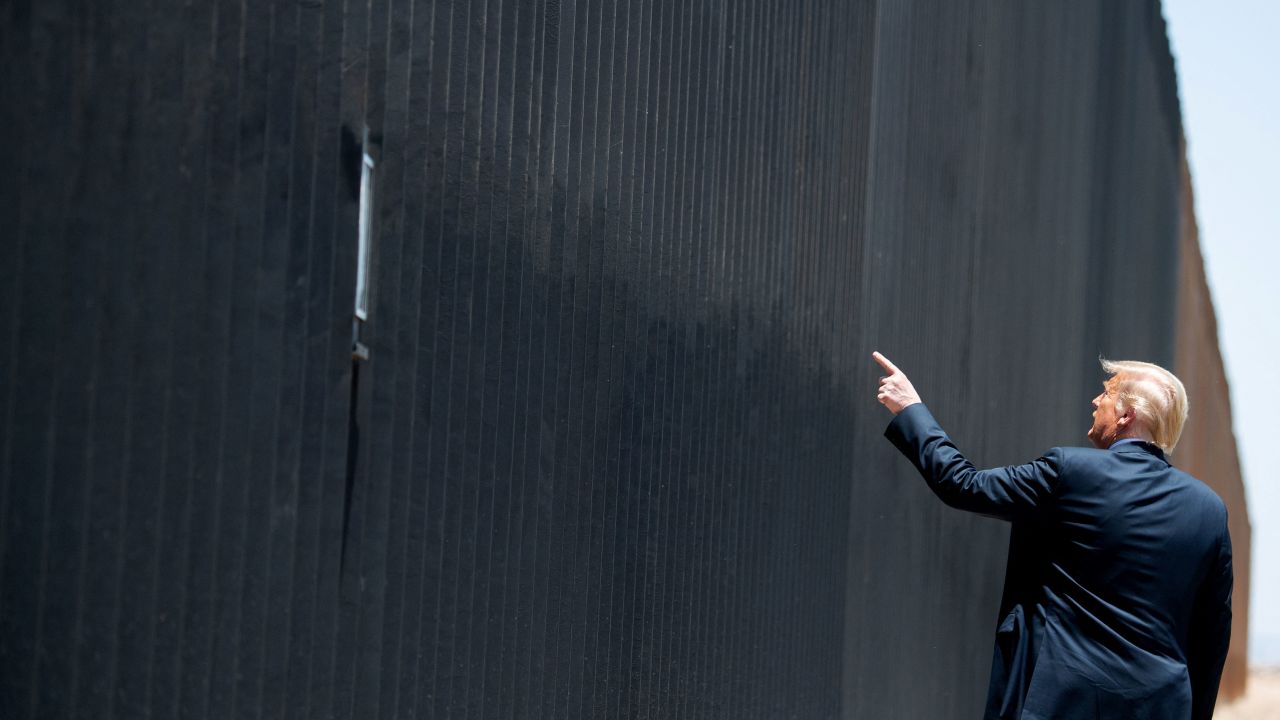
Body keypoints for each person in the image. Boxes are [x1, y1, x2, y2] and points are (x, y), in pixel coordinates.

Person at [872, 351, 1232, 720]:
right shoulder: (1209, 510)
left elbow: (964, 485)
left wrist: (911, 408)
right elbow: (1212, 636)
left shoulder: (1070, 471)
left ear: (1126, 416)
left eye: (1107, 393)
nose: (1096, 401)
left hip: (1059, 700)